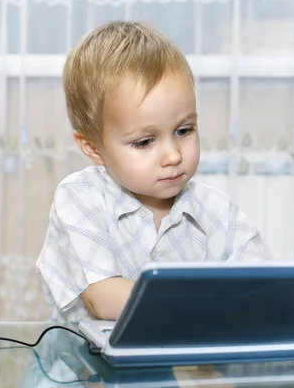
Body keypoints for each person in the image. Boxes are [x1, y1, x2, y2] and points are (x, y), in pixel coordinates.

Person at [36, 21, 271, 322]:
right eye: (145, 142)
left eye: (184, 130)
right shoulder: (80, 198)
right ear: (93, 147)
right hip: (82, 366)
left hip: (185, 364)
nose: (173, 155)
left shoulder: (218, 213)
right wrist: (209, 307)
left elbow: (262, 290)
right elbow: (104, 298)